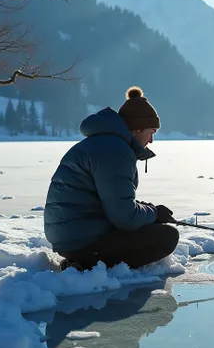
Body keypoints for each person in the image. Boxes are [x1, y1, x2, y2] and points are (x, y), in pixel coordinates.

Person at [44, 86, 180, 272]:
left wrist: (150, 211)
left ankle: (86, 259)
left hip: (72, 235)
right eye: (152, 131)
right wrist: (154, 214)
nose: (151, 140)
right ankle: (89, 265)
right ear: (137, 128)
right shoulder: (115, 151)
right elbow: (125, 217)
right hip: (82, 240)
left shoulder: (106, 143)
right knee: (167, 237)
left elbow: (113, 200)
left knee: (152, 227)